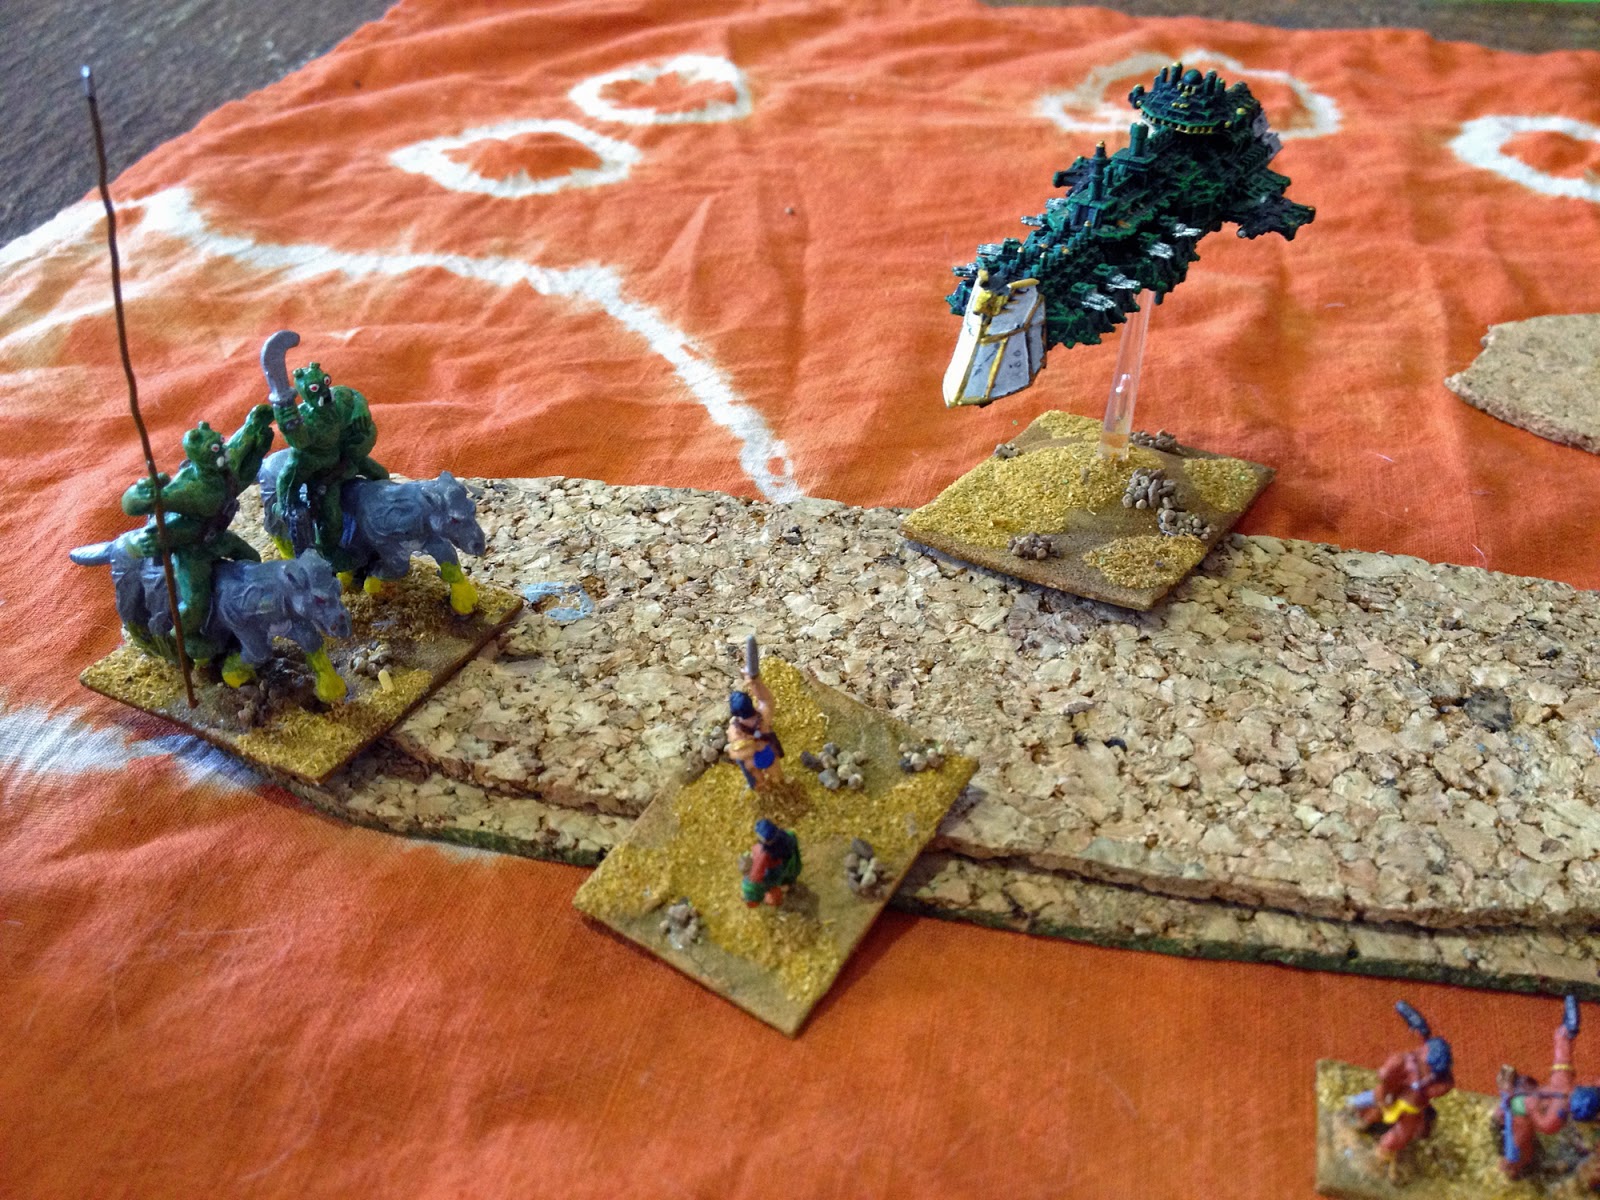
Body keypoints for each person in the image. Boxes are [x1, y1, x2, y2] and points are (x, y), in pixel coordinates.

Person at [741, 819, 801, 908]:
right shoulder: (787, 837)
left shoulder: (762, 854)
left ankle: (776, 900)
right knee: (787, 880)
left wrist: (751, 897)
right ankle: (789, 887)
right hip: (790, 867)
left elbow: (755, 876)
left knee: (771, 893)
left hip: (774, 874)